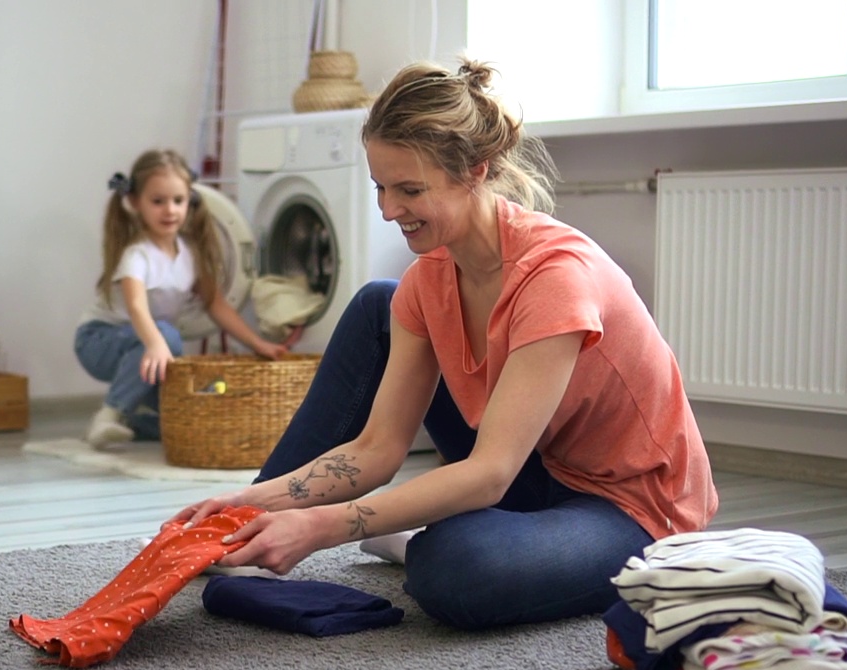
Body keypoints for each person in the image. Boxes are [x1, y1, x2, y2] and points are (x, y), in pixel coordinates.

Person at [166, 59, 718, 630]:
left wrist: (325, 526)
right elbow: (377, 448)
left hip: (627, 507)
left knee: (455, 569)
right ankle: (250, 539)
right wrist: (250, 506)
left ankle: (422, 538)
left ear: (475, 171)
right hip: (531, 467)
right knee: (378, 302)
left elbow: (490, 474)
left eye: (409, 190)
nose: (387, 210)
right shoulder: (430, 277)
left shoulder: (554, 277)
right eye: (381, 186)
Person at [76, 149, 290, 449]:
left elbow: (216, 305)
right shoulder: (138, 254)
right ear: (136, 203)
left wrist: (258, 344)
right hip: (98, 341)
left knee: (187, 408)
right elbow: (137, 306)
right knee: (168, 335)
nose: (170, 210)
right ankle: (110, 414)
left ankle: (130, 424)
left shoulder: (189, 253)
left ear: (190, 200)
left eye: (178, 201)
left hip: (146, 343)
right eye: (158, 201)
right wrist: (155, 343)